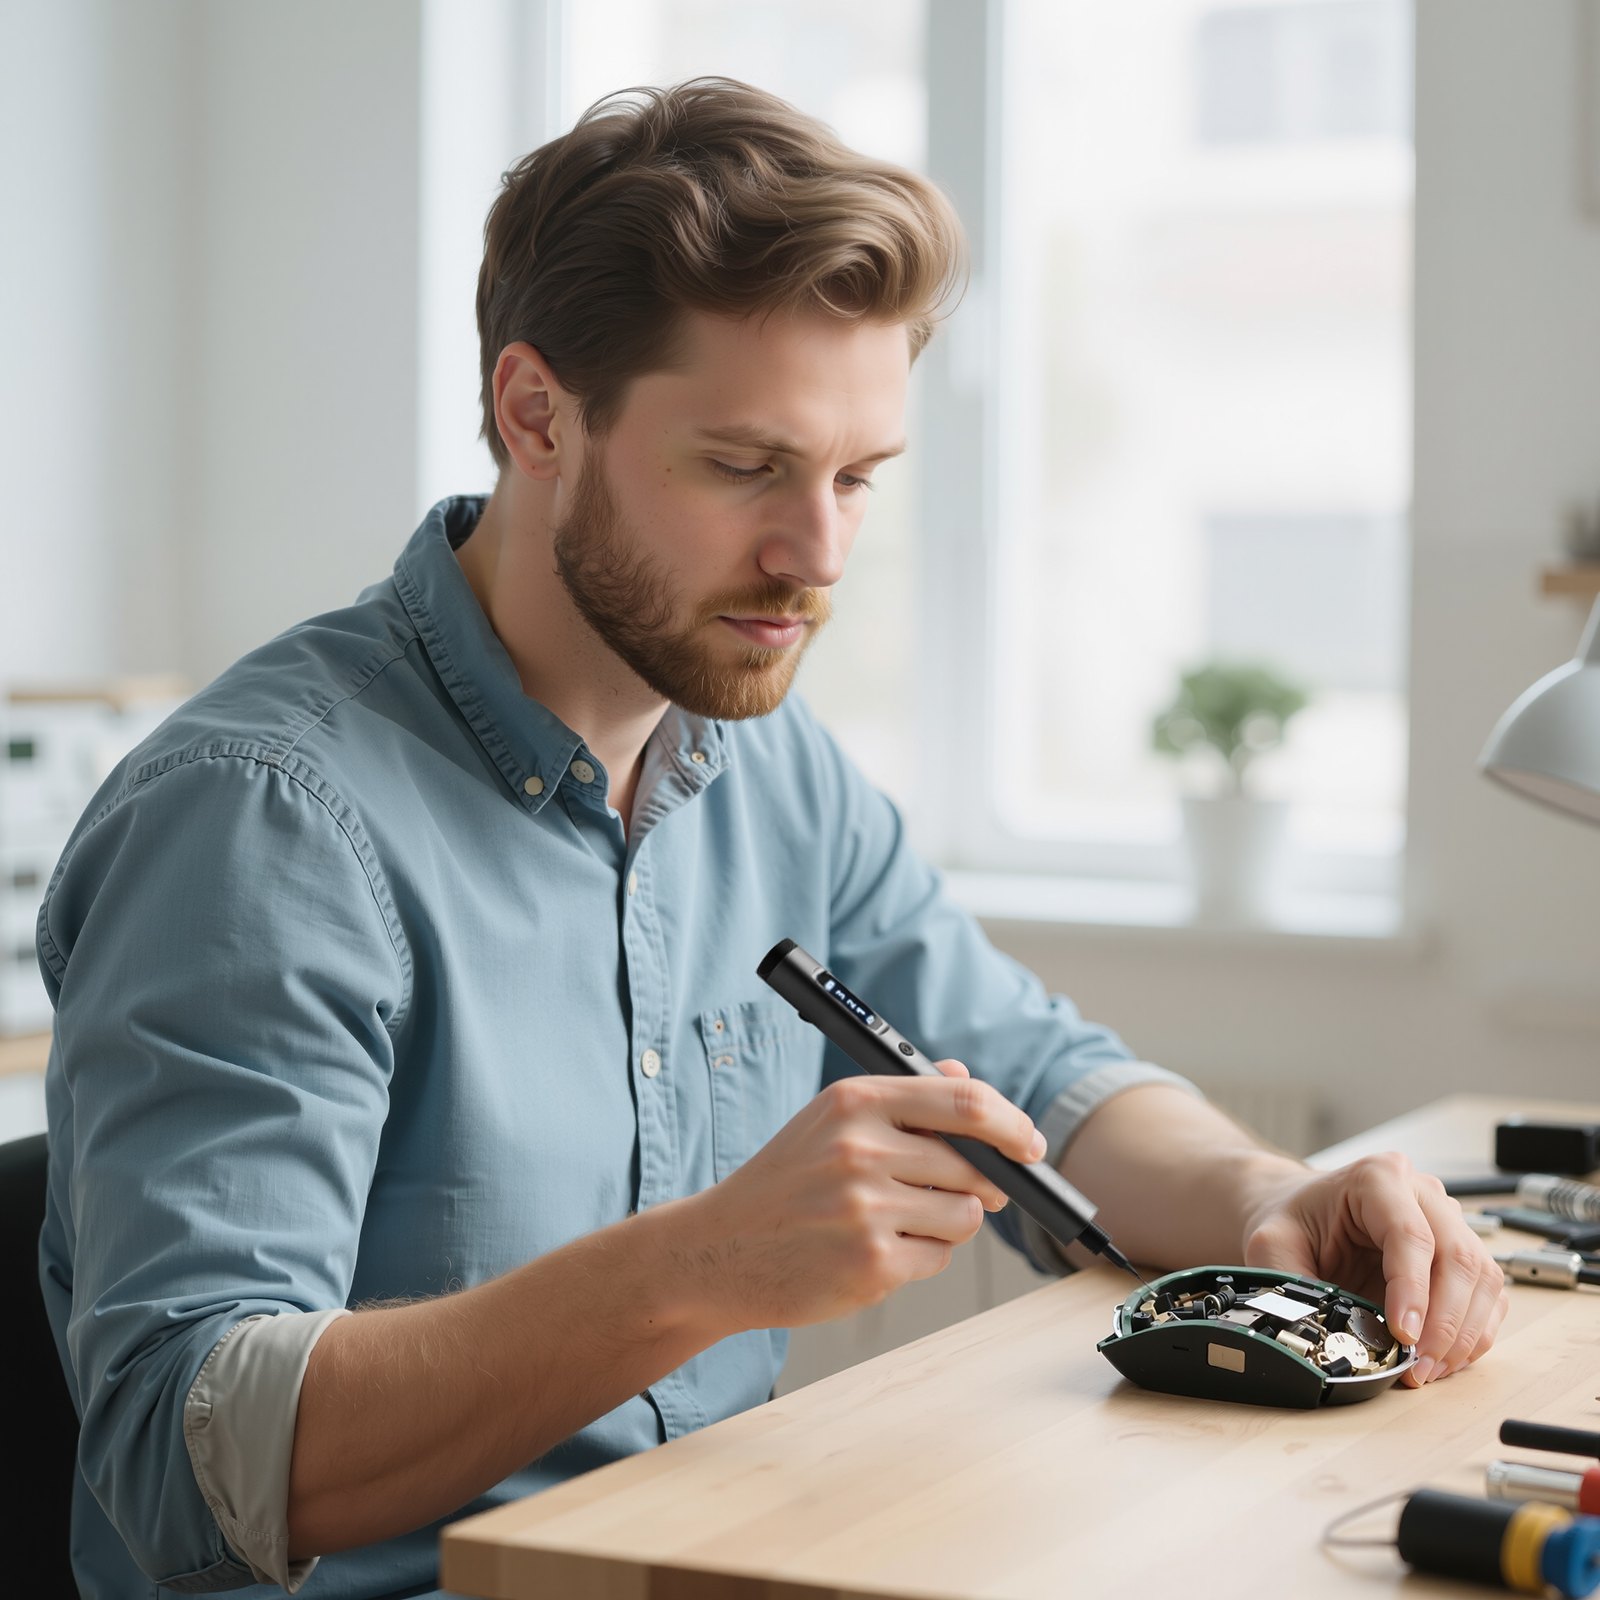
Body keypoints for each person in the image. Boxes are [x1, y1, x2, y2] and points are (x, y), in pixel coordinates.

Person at [38, 78, 1506, 1600]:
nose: (818, 556)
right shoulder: (263, 822)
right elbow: (189, 1459)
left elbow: (1046, 1083)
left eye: (859, 478)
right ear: (535, 413)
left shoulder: (761, 755)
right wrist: (703, 1265)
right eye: (746, 467)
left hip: (704, 1555)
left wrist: (1264, 1199)